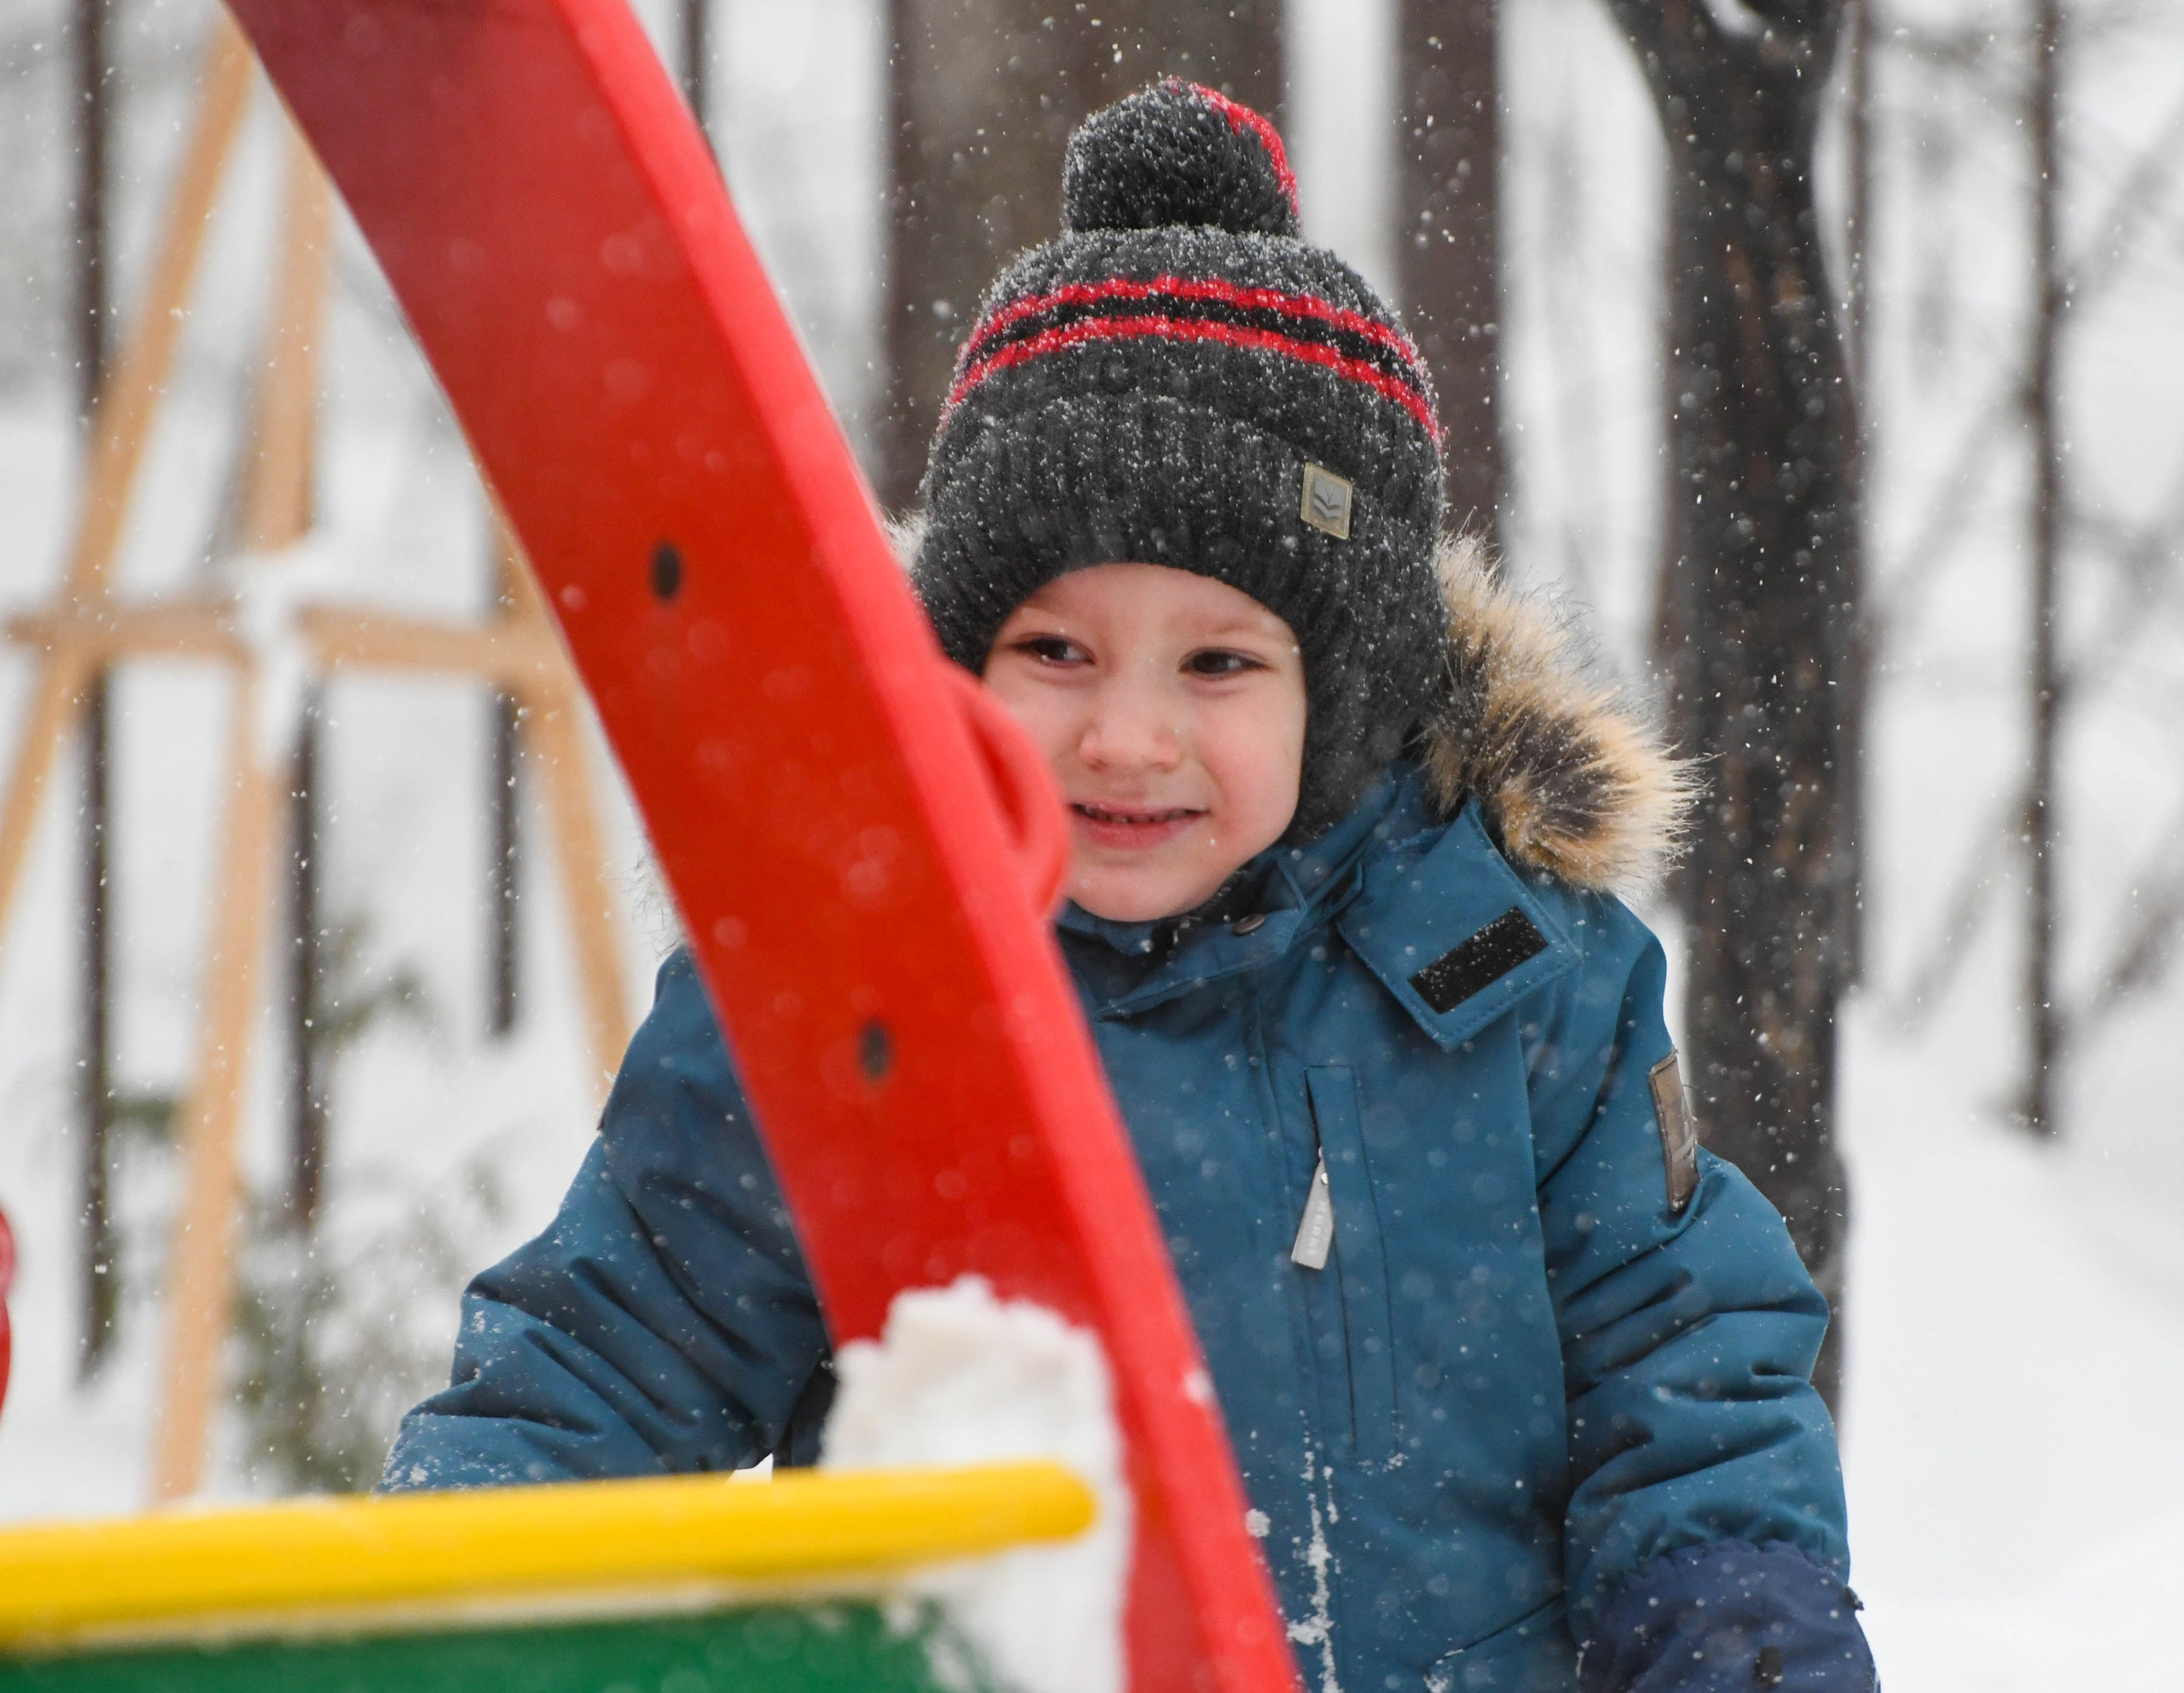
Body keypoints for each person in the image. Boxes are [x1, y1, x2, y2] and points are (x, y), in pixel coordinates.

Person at [383, 80, 1876, 1693]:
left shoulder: (1517, 978)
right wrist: (456, 1604)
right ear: (964, 663)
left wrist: (1741, 1641)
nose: (1127, 731)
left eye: (1220, 660)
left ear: (1345, 691)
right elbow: (618, 1340)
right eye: (1055, 650)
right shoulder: (862, 986)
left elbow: (1686, 1376)